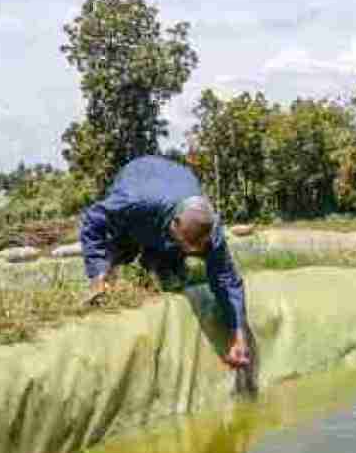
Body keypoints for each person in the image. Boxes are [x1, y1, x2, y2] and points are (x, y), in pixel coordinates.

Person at [78, 155, 251, 368]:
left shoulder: (209, 229)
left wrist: (238, 334)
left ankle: (159, 263)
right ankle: (106, 278)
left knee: (168, 269)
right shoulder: (133, 201)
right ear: (175, 223)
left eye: (193, 250)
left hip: (173, 187)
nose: (190, 252)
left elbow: (226, 280)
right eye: (184, 245)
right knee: (122, 249)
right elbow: (93, 221)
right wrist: (97, 270)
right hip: (140, 177)